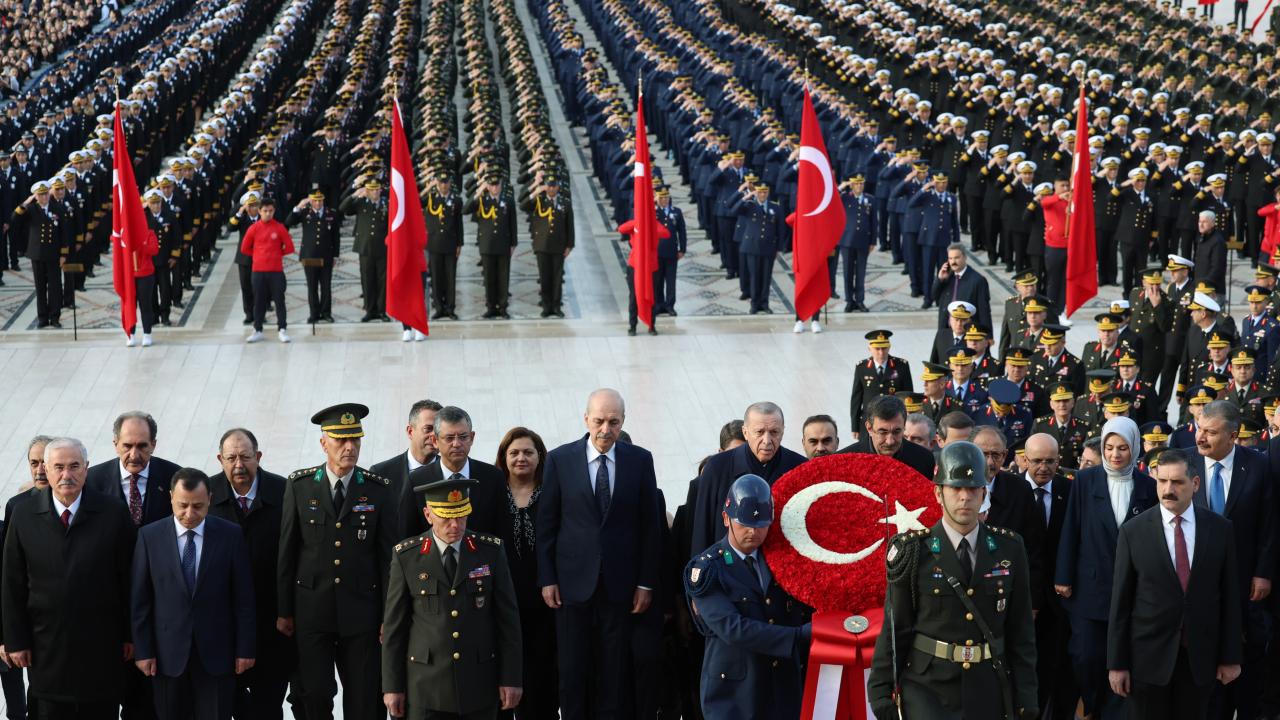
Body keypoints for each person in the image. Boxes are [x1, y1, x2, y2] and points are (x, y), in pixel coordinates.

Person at [867, 441, 1038, 719]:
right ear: (938, 493)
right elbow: (896, 626)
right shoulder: (913, 550)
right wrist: (880, 689)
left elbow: (1021, 632)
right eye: (955, 488)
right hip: (927, 688)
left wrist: (1027, 696)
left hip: (988, 686)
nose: (964, 497)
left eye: (972, 489)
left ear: (984, 493)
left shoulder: (1010, 548)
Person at [536, 389, 664, 720]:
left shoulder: (640, 460)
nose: (605, 429)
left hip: (620, 587)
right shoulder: (560, 459)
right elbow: (547, 525)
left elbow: (650, 527)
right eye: (599, 421)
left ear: (623, 422)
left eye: (613, 422)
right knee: (573, 671)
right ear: (586, 419)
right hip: (570, 587)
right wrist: (547, 578)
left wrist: (646, 583)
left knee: (614, 672)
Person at [277, 403, 398, 720]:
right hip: (312, 612)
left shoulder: (377, 490)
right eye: (341, 440)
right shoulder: (300, 486)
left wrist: (388, 614)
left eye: (355, 440)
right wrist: (284, 611)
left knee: (364, 699)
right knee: (314, 695)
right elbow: (287, 553)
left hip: (361, 613)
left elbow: (388, 559)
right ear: (323, 443)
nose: (350, 447)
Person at [2, 437, 136, 719]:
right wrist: (14, 639)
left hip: (101, 648)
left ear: (86, 469)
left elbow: (129, 579)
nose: (67, 475)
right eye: (59, 467)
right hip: (46, 650)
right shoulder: (24, 514)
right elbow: (12, 582)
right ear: (47, 471)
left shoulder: (112, 512)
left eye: (74, 466)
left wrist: (130, 635)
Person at [1107, 447, 1242, 720]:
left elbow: (1229, 596)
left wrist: (1231, 656)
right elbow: (1121, 603)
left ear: (1194, 484)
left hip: (1200, 659)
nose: (1168, 489)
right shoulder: (1133, 531)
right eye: (1162, 481)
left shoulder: (1220, 529)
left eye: (1177, 482)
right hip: (1147, 661)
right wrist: (1117, 664)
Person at [381, 476, 523, 719]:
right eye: (446, 517)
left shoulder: (490, 551)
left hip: (478, 685)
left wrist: (511, 678)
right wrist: (392, 687)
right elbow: (395, 629)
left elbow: (508, 621)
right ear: (428, 515)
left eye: (461, 516)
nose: (455, 524)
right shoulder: (407, 557)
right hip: (426, 688)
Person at [130, 468, 256, 720]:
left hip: (217, 655)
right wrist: (143, 651)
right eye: (182, 506)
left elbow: (243, 598)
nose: (189, 514)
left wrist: (245, 648)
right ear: (171, 499)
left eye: (198, 506)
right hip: (167, 657)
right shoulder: (149, 536)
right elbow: (140, 600)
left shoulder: (229, 535)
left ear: (209, 498)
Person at [684, 475, 811, 719]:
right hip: (735, 695)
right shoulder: (708, 569)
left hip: (781, 691)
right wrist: (799, 636)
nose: (753, 532)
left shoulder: (782, 561)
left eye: (761, 524)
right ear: (726, 519)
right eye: (744, 524)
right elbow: (733, 628)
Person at [1055, 417, 1156, 720]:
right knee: (1086, 656)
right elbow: (1071, 527)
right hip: (1090, 587)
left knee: (1123, 658)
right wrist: (1063, 575)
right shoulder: (1086, 481)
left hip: (1131, 591)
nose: (1115, 454)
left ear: (1134, 449)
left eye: (1123, 448)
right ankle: (1090, 703)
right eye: (1109, 447)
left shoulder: (1148, 487)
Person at [1186, 401, 1275, 720]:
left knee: (1248, 667)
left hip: (1246, 585)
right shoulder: (1185, 464)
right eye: (1199, 428)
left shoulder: (1259, 465)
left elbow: (1269, 523)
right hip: (1198, 587)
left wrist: (1264, 573)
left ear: (1233, 435)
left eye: (1211, 432)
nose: (1201, 437)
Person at [207, 428, 298, 720]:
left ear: (258, 457)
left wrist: (288, 611)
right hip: (222, 627)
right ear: (219, 459)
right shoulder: (206, 496)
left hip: (271, 623)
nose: (238, 465)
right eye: (231, 458)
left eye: (245, 457)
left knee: (267, 706)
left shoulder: (285, 492)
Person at [493, 427, 557, 719]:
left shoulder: (555, 493)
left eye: (528, 452)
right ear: (503, 457)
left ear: (540, 457)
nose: (521, 458)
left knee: (541, 687)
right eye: (514, 452)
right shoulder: (491, 495)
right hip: (500, 606)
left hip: (545, 607)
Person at [690, 402, 806, 555]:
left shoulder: (799, 468)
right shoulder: (717, 468)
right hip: (727, 567)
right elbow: (702, 529)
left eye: (774, 432)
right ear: (745, 432)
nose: (767, 440)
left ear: (783, 432)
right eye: (759, 432)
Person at [1023, 433, 1077, 720]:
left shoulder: (1071, 491)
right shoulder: (1012, 490)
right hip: (1022, 600)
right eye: (1037, 461)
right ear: (1024, 460)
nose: (1043, 467)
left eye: (1050, 461)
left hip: (1060, 599)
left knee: (1056, 671)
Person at [402, 406, 507, 538]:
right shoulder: (416, 480)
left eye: (463, 437)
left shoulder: (493, 477)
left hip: (483, 558)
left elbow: (503, 532)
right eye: (449, 438)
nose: (456, 444)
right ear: (435, 440)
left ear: (472, 437)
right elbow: (408, 534)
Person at [86, 411, 181, 532]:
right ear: (116, 445)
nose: (134, 455)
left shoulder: (174, 477)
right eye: (127, 446)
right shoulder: (92, 480)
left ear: (153, 445)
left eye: (142, 446)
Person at [370, 399, 444, 539]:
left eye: (438, 430)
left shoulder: (450, 473)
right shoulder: (381, 473)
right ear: (410, 431)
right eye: (428, 429)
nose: (434, 435)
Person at [840, 394, 937, 480]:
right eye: (882, 432)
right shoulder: (844, 462)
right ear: (869, 428)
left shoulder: (924, 460)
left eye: (896, 432)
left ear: (904, 426)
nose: (890, 441)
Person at [239, 197, 294, 344]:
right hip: (258, 271)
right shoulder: (253, 228)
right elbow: (244, 248)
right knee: (259, 301)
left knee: (279, 300)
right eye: (265, 211)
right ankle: (257, 329)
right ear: (259, 211)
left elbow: (289, 247)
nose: (268, 214)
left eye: (270, 211)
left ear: (274, 211)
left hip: (276, 271)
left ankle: (282, 329)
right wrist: (258, 255)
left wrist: (276, 254)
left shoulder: (279, 227)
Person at [522, 178, 574, 318]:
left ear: (558, 187)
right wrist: (536, 191)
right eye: (549, 186)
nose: (551, 189)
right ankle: (546, 306)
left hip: (558, 245)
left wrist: (570, 245)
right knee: (544, 277)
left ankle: (556, 306)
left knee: (557, 278)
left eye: (554, 186)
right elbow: (523, 205)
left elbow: (570, 225)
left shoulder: (565, 202)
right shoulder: (539, 200)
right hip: (542, 245)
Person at [340, 178, 390, 323]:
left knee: (382, 280)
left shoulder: (387, 203)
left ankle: (381, 310)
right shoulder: (360, 203)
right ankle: (369, 309)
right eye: (371, 189)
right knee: (367, 279)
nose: (375, 192)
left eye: (377, 189)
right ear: (367, 191)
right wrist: (355, 195)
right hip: (365, 248)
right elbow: (343, 209)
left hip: (382, 247)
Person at [287, 190, 340, 325]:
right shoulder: (305, 213)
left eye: (320, 200)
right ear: (311, 201)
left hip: (326, 256)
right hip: (309, 255)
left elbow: (336, 236)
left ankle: (326, 313)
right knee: (312, 286)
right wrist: (299, 206)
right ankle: (314, 313)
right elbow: (288, 222)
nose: (317, 203)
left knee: (326, 286)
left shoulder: (331, 214)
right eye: (315, 200)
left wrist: (335, 256)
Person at [848, 329, 914, 432]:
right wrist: (855, 427)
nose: (881, 352)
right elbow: (856, 399)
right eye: (877, 349)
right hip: (869, 422)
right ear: (869, 348)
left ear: (889, 347)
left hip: (894, 420)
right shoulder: (862, 367)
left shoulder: (901, 366)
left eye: (884, 348)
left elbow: (908, 395)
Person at [424, 175, 463, 321]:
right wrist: (429, 187)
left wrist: (460, 243)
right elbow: (417, 200)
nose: (444, 186)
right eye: (441, 183)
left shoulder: (456, 200)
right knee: (436, 277)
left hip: (451, 243)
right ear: (437, 184)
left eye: (446, 183)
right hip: (434, 244)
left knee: (450, 277)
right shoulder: (431, 198)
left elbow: (459, 223)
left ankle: (450, 308)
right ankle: (439, 308)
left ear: (450, 183)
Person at [932, 243, 992, 331]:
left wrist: (988, 336)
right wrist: (940, 280)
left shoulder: (978, 280)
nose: (953, 262)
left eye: (956, 258)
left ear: (964, 257)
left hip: (967, 332)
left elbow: (984, 311)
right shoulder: (947, 277)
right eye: (950, 258)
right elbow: (934, 297)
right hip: (946, 330)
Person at [654, 187, 687, 316]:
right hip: (657, 252)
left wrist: (682, 249)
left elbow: (682, 231)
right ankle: (659, 304)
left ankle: (670, 305)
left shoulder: (676, 212)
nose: (664, 200)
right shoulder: (653, 212)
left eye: (666, 197)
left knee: (671, 280)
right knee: (658, 280)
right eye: (661, 197)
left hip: (672, 252)